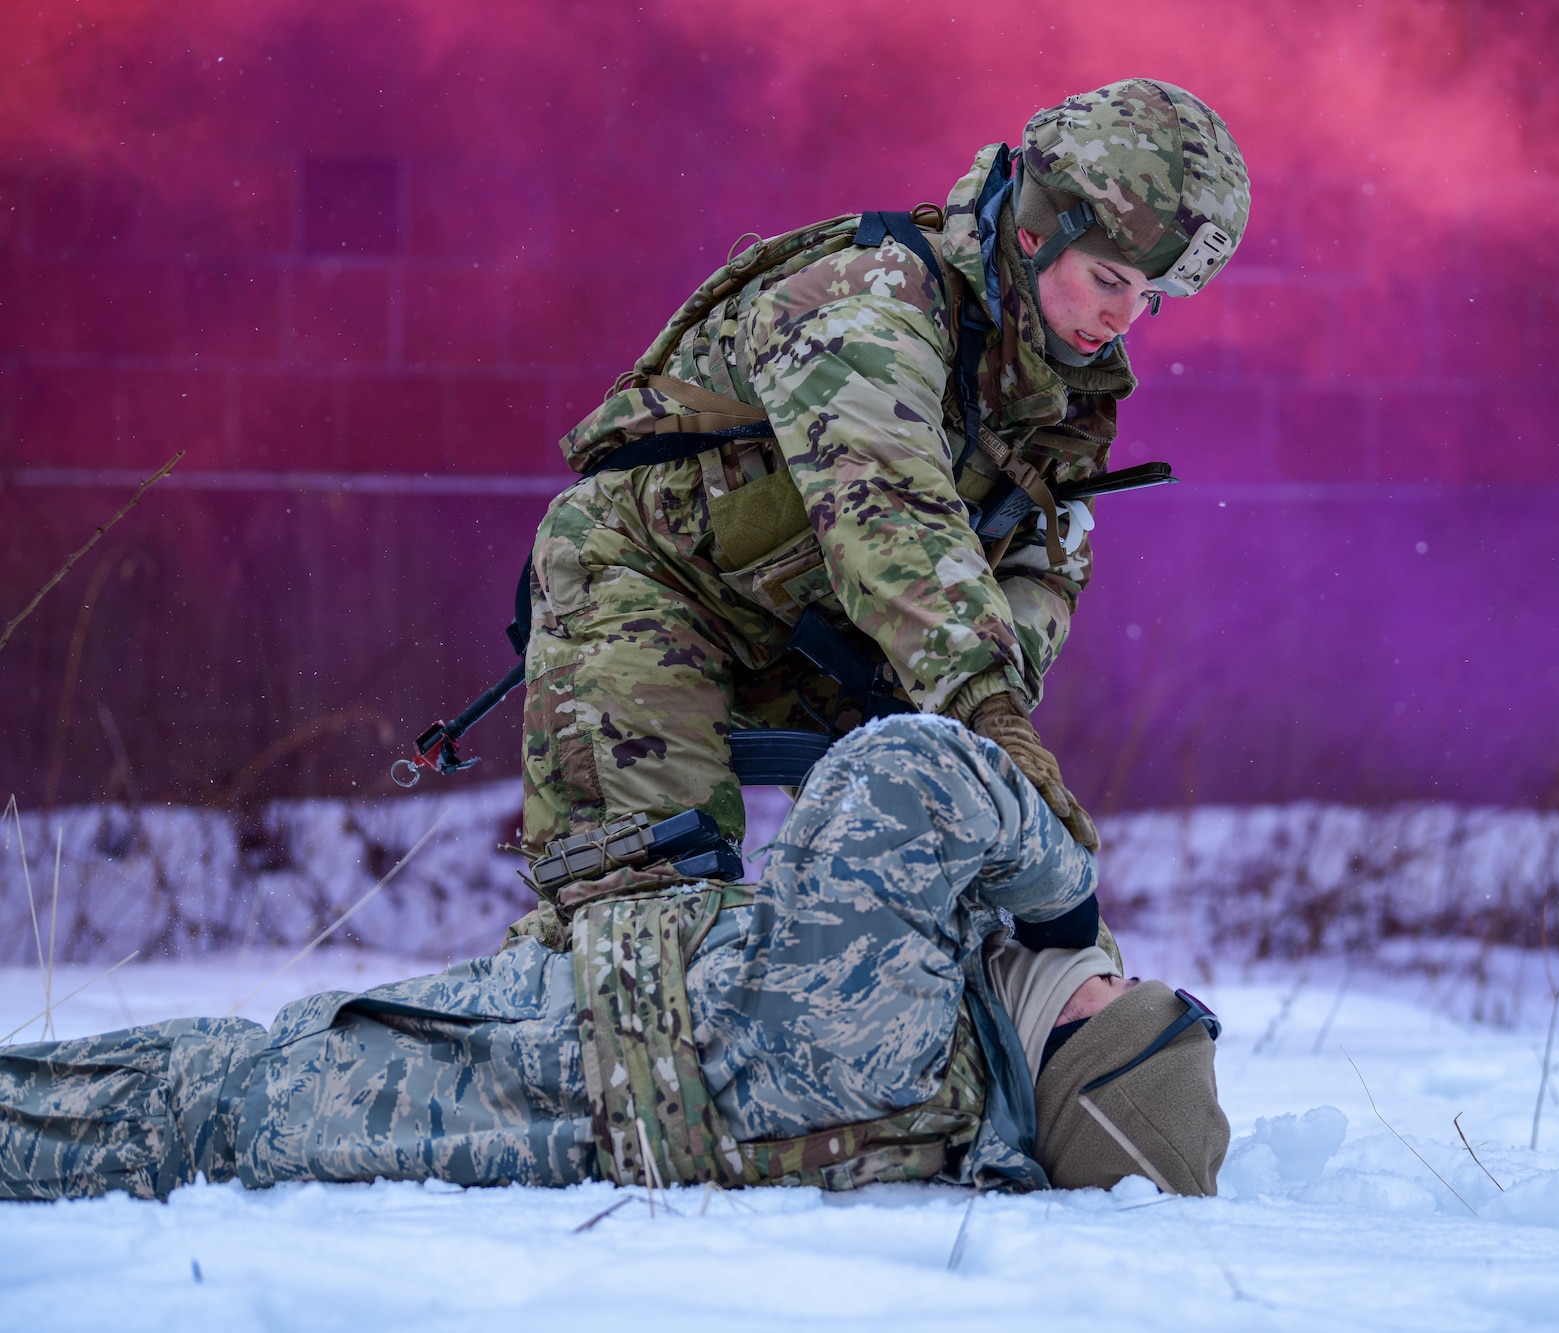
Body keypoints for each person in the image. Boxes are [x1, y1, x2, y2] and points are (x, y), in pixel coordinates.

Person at [0, 717, 1229, 1201]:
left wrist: (1064, 892)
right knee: (203, 1087)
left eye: (1108, 986)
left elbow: (903, 769)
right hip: (517, 1071)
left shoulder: (886, 1026)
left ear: (1074, 1044)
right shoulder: (940, 1069)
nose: (1097, 962)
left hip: (478, 1082)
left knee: (190, 1106)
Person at [520, 77, 1251, 884]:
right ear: (1039, 230)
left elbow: (1044, 565)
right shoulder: (868, 304)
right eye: (1111, 280)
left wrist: (982, 727)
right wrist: (984, 704)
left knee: (951, 917)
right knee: (651, 927)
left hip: (841, 651)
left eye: (1147, 298)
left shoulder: (1060, 389)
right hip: (653, 590)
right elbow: (888, 507)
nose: (1122, 319)